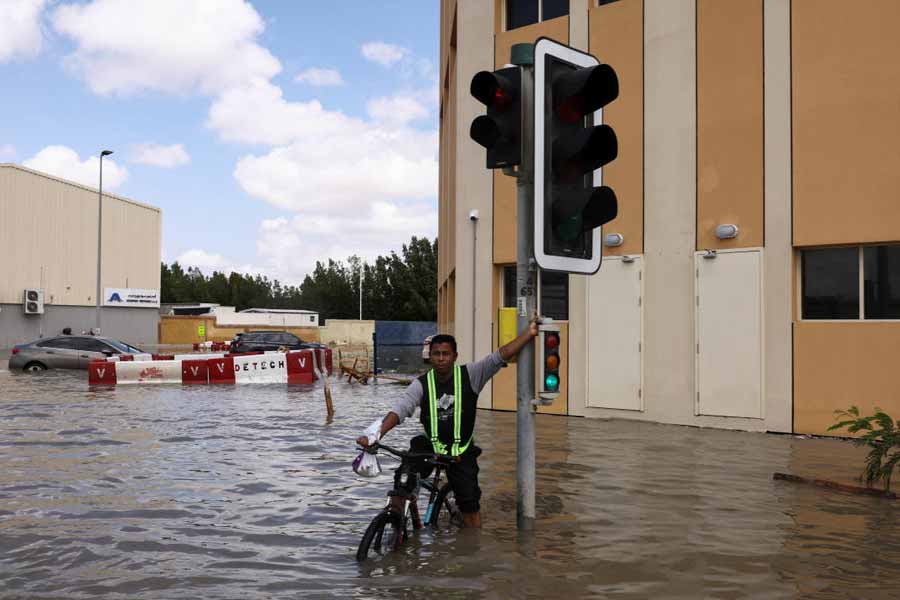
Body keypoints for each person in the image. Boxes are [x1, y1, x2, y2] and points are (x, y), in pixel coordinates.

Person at [357, 320, 539, 529]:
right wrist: (376, 434)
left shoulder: (471, 374)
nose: (441, 358)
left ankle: (472, 545)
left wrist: (529, 333)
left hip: (461, 452)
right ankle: (395, 525)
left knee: (470, 505)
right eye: (436, 354)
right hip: (428, 446)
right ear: (430, 357)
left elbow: (500, 355)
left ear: (455, 356)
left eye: (446, 354)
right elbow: (400, 409)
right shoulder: (422, 383)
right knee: (403, 480)